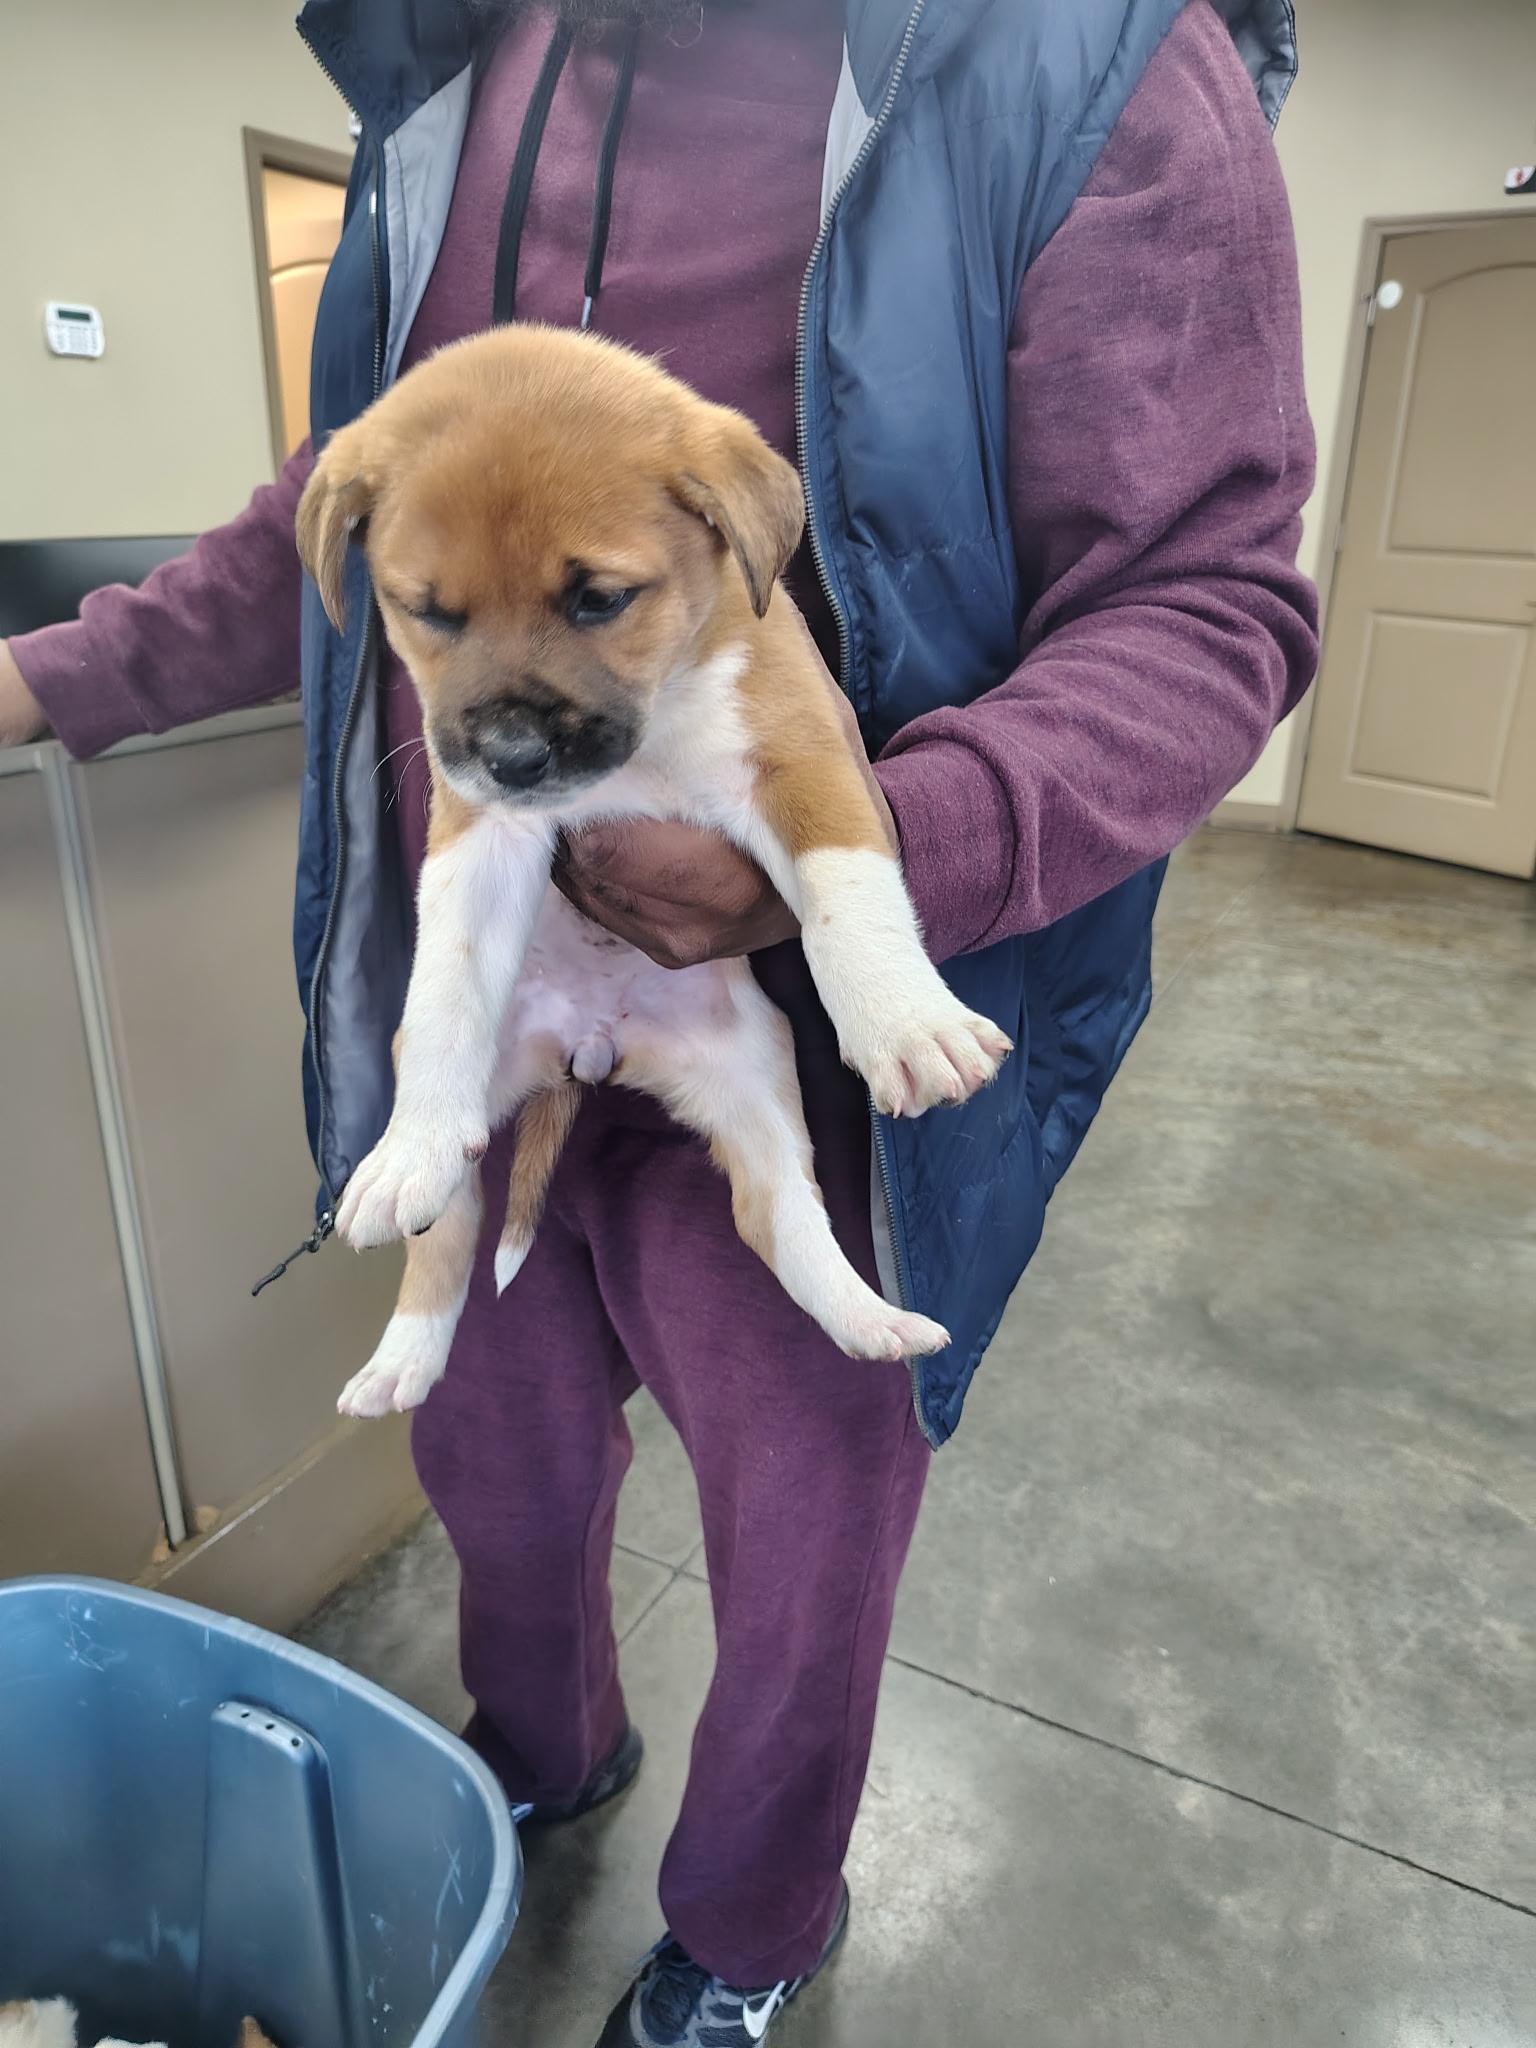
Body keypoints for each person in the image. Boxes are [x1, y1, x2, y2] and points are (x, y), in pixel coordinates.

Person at [0, 2, 1318, 2039]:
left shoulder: (1083, 53)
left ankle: (755, 1918)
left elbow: (1208, 598)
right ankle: (538, 1755)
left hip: (811, 1004)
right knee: (490, 1452)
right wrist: (44, 679)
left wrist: (878, 848)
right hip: (503, 985)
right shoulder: (454, 67)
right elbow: (342, 518)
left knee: (803, 1520)